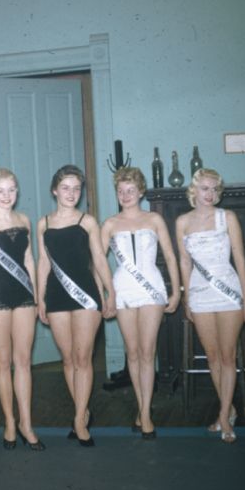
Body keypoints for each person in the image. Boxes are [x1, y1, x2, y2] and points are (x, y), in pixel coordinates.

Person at [37, 165, 116, 446]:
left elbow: (99, 259)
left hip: (86, 296)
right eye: (66, 187)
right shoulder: (43, 223)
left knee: (83, 359)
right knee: (68, 359)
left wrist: (111, 293)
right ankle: (82, 411)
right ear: (54, 190)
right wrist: (40, 298)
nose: (72, 193)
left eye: (76, 188)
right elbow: (44, 263)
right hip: (57, 297)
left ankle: (80, 420)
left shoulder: (87, 221)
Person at [176, 168, 245, 443]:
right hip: (199, 293)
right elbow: (184, 262)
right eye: (204, 188)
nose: (209, 194)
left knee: (227, 356)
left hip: (228, 293)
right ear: (194, 190)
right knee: (211, 357)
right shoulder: (182, 222)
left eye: (214, 189)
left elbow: (240, 258)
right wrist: (187, 298)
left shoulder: (227, 218)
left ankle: (222, 417)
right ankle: (228, 409)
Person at [101, 167, 180, 438]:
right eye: (121, 191)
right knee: (132, 353)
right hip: (123, 290)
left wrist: (177, 292)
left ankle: (145, 413)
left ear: (141, 191)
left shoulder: (154, 219)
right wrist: (107, 293)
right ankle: (142, 407)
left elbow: (170, 256)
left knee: (148, 353)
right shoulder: (110, 224)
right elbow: (99, 262)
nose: (125, 195)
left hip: (152, 290)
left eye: (130, 190)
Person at [0, 169, 44, 451]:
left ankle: (26, 423)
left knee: (23, 361)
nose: (6, 196)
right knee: (3, 363)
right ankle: (9, 422)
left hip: (24, 294)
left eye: (11, 189)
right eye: (0, 190)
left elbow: (28, 260)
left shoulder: (24, 220)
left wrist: (36, 296)